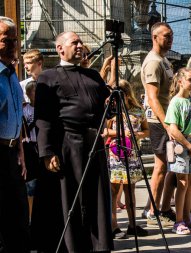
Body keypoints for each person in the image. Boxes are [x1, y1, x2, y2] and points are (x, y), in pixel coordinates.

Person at [32, 31, 113, 252]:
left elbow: (105, 111)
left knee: (94, 197)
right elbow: (44, 118)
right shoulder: (48, 77)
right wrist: (47, 151)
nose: (79, 45)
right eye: (74, 42)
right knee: (68, 199)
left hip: (93, 144)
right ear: (60, 49)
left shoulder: (94, 76)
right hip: (66, 145)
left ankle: (97, 245)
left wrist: (112, 104)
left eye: (80, 42)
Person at [103, 79, 149, 238]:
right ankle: (113, 225)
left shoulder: (137, 110)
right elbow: (104, 132)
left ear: (128, 94)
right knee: (114, 190)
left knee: (131, 189)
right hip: (116, 154)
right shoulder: (111, 111)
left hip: (133, 154)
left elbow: (146, 130)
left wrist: (138, 135)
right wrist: (120, 133)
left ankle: (132, 224)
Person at [141, 22, 176, 227]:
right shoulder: (153, 62)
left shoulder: (164, 60)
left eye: (171, 35)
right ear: (154, 37)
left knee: (168, 165)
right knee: (161, 166)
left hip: (167, 119)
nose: (170, 39)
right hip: (159, 121)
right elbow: (153, 98)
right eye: (166, 36)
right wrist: (167, 124)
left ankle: (163, 208)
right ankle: (153, 211)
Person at [0, 16, 30, 253]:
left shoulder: (12, 75)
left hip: (12, 155)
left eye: (14, 39)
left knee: (18, 219)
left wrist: (19, 149)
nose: (12, 45)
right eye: (5, 40)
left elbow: (16, 115)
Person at [164, 67, 191, 234]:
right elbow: (172, 128)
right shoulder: (175, 102)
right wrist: (189, 146)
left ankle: (187, 218)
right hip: (182, 145)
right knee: (182, 182)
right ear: (180, 81)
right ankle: (179, 221)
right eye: (190, 80)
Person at [22, 80, 39, 222]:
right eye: (30, 91)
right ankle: (30, 217)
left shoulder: (43, 108)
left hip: (40, 146)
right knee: (30, 184)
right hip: (29, 147)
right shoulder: (25, 109)